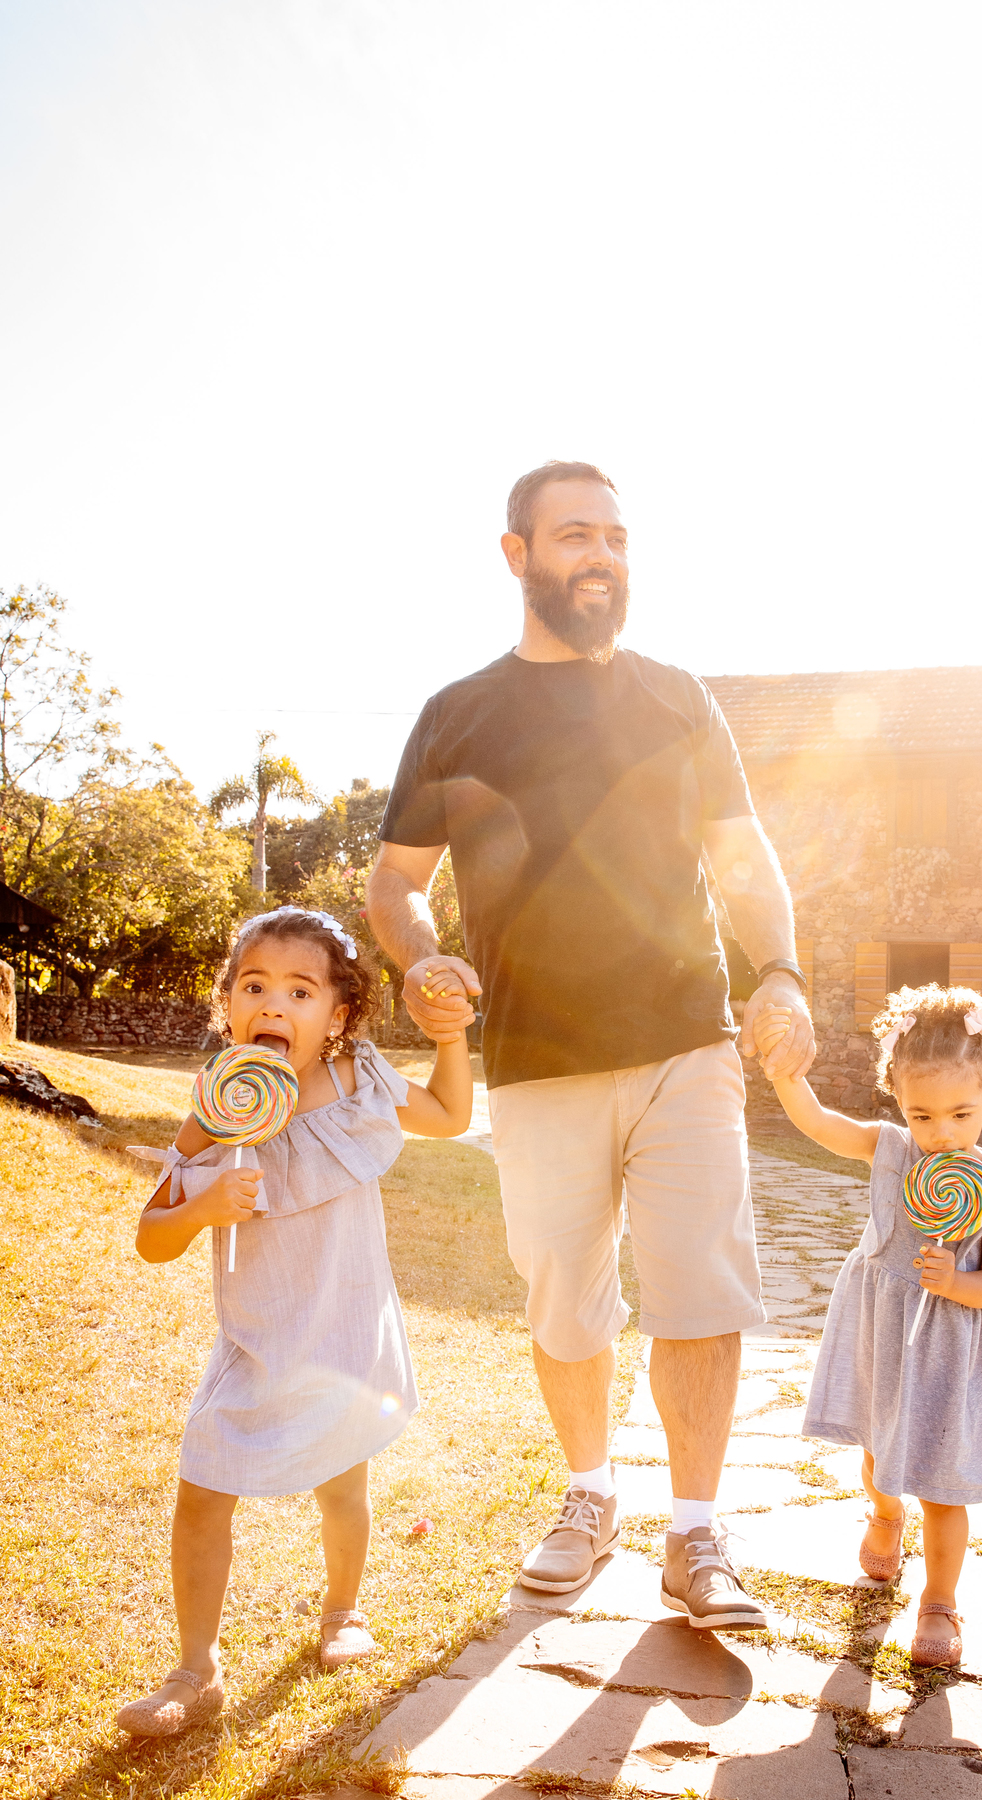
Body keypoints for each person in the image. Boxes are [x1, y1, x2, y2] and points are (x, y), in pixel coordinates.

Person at [367, 458, 816, 1631]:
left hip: (685, 1041)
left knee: (698, 1292)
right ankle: (588, 1497)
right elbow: (395, 882)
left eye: (616, 536)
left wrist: (780, 971)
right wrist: (421, 960)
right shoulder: (457, 714)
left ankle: (698, 1532)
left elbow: (743, 852)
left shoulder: (679, 698)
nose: (602, 556)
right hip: (535, 1056)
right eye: (574, 536)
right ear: (515, 555)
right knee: (567, 1299)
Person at [115, 907, 472, 1738]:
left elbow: (451, 1116)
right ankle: (194, 1667)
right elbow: (151, 1237)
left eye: (300, 990)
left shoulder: (360, 1083)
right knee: (202, 1490)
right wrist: (201, 1205)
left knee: (343, 1485)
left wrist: (450, 1037)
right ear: (229, 1005)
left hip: (345, 1334)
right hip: (259, 1338)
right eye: (255, 985)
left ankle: (342, 1612)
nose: (273, 1005)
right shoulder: (217, 1110)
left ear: (339, 1016)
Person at [752, 983, 982, 1668]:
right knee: (879, 1450)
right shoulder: (888, 1149)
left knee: (942, 1475)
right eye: (922, 1114)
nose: (940, 1133)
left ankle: (939, 1600)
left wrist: (956, 1280)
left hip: (950, 1342)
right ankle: (883, 1513)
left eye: (961, 1114)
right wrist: (788, 1078)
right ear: (898, 1102)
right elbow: (819, 1124)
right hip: (882, 1324)